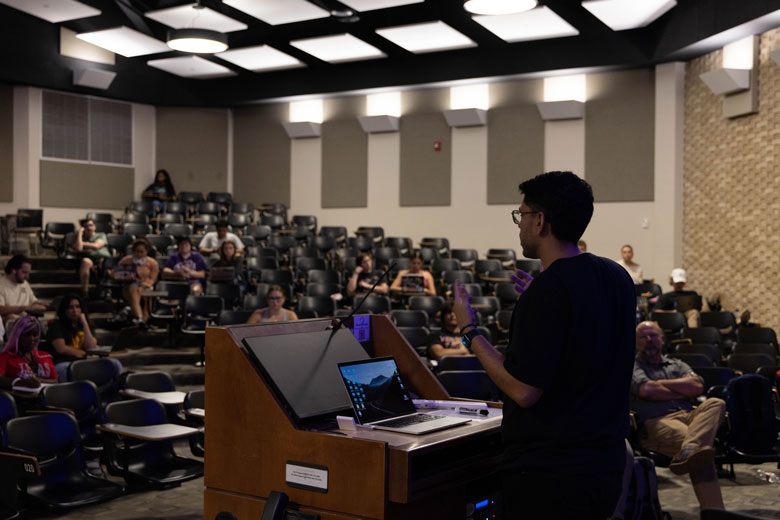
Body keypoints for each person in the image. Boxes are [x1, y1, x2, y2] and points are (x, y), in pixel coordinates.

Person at [452, 171, 636, 518]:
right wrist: (542, 300)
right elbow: (584, 335)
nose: (519, 224)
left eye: (521, 214)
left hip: (552, 474)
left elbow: (524, 390)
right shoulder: (616, 276)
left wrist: (470, 331)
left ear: (540, 221)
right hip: (605, 463)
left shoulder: (548, 292)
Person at [632, 320, 725, 511]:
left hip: (690, 416)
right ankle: (715, 513)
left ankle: (689, 448)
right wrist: (682, 389)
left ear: (663, 339)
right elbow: (646, 390)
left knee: (716, 403)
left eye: (654, 335)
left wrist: (663, 387)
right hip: (658, 421)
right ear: (636, 341)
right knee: (701, 453)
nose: (649, 339)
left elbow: (697, 386)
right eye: (643, 336)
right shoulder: (632, 365)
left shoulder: (677, 363)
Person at [46, 293, 98, 380]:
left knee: (113, 364)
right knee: (75, 370)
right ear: (64, 310)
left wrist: (85, 324)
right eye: (71, 308)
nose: (75, 310)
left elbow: (91, 347)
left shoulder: (86, 326)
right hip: (63, 363)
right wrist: (84, 353)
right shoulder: (56, 325)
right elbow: (61, 349)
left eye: (77, 307)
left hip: (81, 362)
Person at [0, 315, 56, 390]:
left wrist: (40, 381)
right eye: (26, 335)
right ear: (17, 336)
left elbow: (56, 381)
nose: (32, 339)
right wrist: (20, 382)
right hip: (21, 398)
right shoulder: (5, 356)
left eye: (35, 335)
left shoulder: (44, 355)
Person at [117, 238, 159, 325]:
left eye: (141, 251)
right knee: (134, 288)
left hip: (146, 286)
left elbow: (152, 279)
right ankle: (139, 318)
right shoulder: (126, 260)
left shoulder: (153, 263)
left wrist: (143, 285)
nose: (139, 254)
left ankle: (142, 319)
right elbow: (118, 272)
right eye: (136, 251)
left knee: (144, 293)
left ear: (146, 251)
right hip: (129, 286)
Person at [0, 254, 46, 323]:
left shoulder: (25, 284)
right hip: (10, 322)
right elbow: (1, 309)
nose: (27, 276)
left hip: (26, 320)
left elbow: (33, 301)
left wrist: (41, 305)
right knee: (12, 317)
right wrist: (24, 308)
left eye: (28, 273)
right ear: (14, 270)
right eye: (24, 272)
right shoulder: (1, 284)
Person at [72, 218, 112, 296]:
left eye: (91, 225)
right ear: (83, 228)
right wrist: (80, 233)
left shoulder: (101, 235)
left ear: (94, 227)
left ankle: (107, 293)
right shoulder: (79, 238)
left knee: (104, 263)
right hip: (90, 259)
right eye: (86, 226)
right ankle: (85, 292)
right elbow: (79, 248)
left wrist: (84, 244)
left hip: (103, 258)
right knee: (85, 261)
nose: (89, 228)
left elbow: (96, 246)